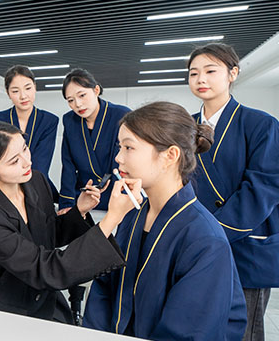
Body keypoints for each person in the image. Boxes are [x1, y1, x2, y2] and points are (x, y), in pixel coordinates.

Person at [84, 101, 247, 340]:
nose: (118, 157)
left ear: (170, 155)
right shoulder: (132, 215)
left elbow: (189, 332)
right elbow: (104, 289)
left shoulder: (205, 239)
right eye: (120, 147)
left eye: (129, 147)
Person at [0, 120, 135, 324]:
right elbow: (43, 268)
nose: (27, 162)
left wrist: (79, 210)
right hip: (9, 311)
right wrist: (113, 217)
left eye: (25, 149)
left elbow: (48, 234)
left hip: (48, 300)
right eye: (14, 161)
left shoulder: (35, 180)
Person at [187, 43, 279, 341]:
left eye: (210, 71)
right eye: (193, 73)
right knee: (200, 325)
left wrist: (213, 232)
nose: (201, 79)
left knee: (243, 331)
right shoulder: (183, 127)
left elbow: (263, 188)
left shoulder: (261, 124)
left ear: (233, 73)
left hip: (241, 241)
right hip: (194, 242)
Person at [59, 68, 130, 322]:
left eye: (82, 95)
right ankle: (75, 300)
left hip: (113, 192)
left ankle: (110, 305)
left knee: (109, 253)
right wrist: (67, 202)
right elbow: (68, 162)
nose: (77, 104)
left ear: (96, 90)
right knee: (80, 252)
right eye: (70, 100)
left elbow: (121, 160)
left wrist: (105, 188)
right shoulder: (69, 121)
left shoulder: (120, 115)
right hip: (84, 196)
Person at [0, 65, 59, 200]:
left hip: (37, 185)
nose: (23, 96)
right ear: (8, 93)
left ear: (35, 87)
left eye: (28, 88)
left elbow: (41, 164)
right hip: (4, 187)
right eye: (15, 91)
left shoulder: (49, 120)